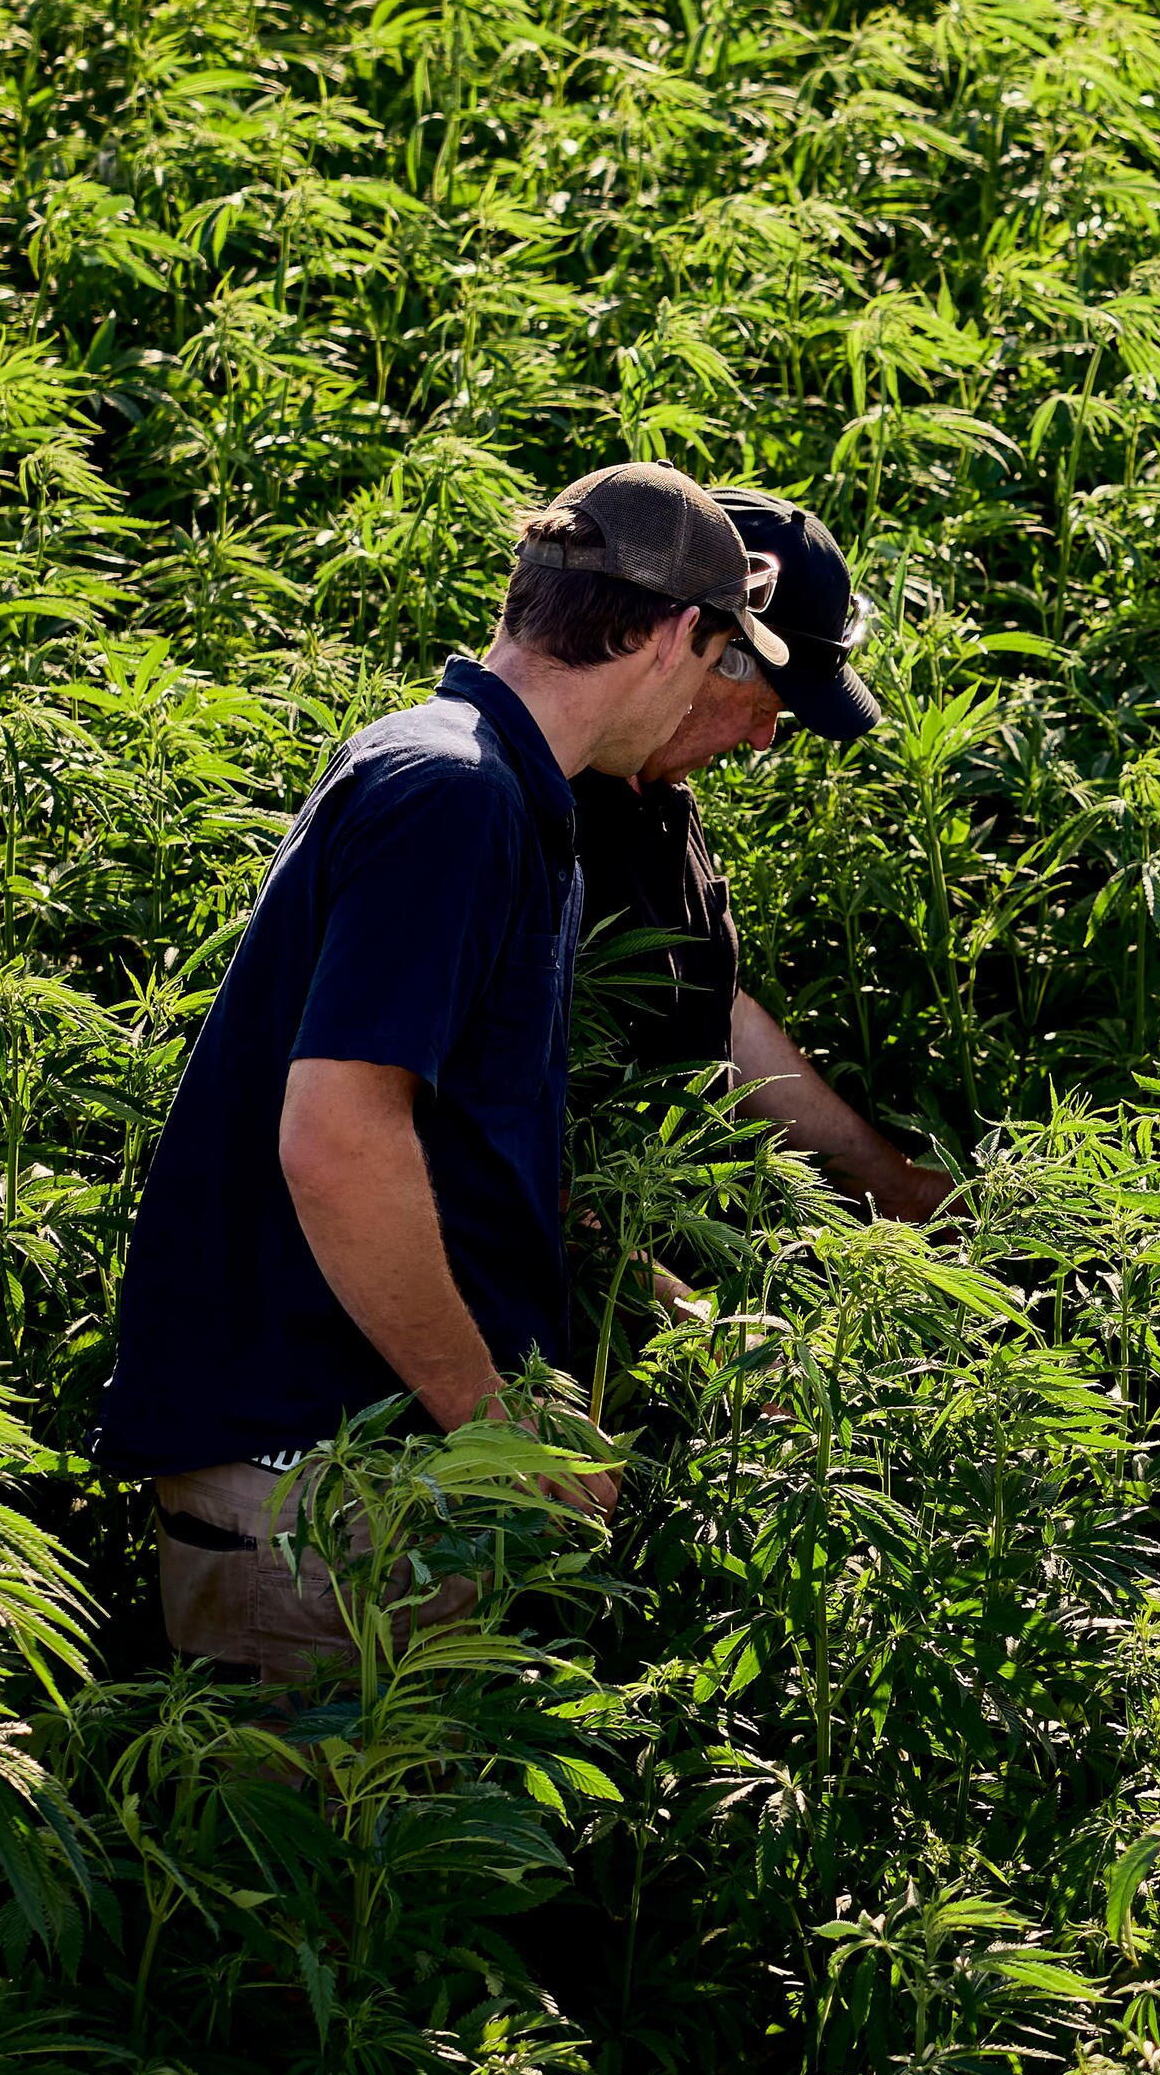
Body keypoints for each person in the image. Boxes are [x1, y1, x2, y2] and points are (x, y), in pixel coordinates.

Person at [93, 461, 786, 1682]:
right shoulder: (452, 794)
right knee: (328, 1871)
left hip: (359, 1491)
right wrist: (499, 1423)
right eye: (726, 659)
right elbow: (339, 1138)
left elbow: (453, 1146)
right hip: (323, 1500)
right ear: (682, 635)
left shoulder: (486, 783)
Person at [567, 484, 954, 1222]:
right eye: (770, 709)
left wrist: (902, 1190)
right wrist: (698, 1326)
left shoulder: (660, 801)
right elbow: (509, 1158)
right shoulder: (540, 820)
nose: (762, 741)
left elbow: (719, 1015)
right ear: (705, 652)